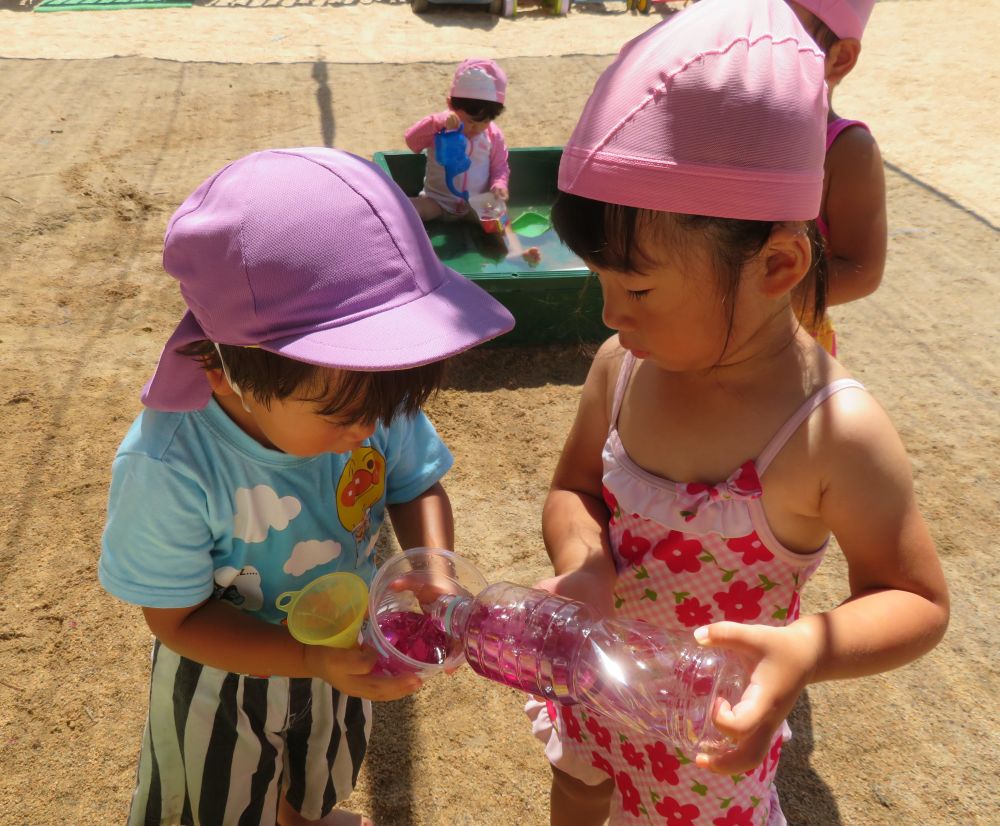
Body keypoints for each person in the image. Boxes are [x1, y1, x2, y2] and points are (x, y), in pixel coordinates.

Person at [525, 1, 949, 824]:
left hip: (707, 742)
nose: (613, 316)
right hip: (598, 687)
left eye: (638, 288)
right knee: (578, 781)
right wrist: (587, 563)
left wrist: (803, 650)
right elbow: (574, 488)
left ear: (781, 264)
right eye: (601, 285)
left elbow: (916, 600)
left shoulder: (831, 431)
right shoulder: (623, 369)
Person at [98, 147, 514, 826]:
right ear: (227, 373)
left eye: (385, 407)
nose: (369, 430)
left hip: (342, 648)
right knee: (217, 803)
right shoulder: (171, 466)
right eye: (343, 415)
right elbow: (176, 619)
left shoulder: (366, 398)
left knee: (317, 774)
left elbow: (415, 485)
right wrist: (301, 658)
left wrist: (432, 567)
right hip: (223, 675)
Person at [790, 0, 886, 355]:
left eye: (779, 34)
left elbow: (861, 268)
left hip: (789, 348)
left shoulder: (845, 151)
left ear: (840, 57)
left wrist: (757, 299)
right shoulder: (722, 130)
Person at [404, 58, 510, 222]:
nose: (477, 128)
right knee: (410, 209)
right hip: (438, 201)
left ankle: (515, 248)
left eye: (485, 121)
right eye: (470, 121)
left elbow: (500, 166)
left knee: (499, 225)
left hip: (478, 207)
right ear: (451, 105)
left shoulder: (493, 136)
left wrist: (499, 184)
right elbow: (412, 141)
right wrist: (437, 122)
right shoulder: (441, 127)